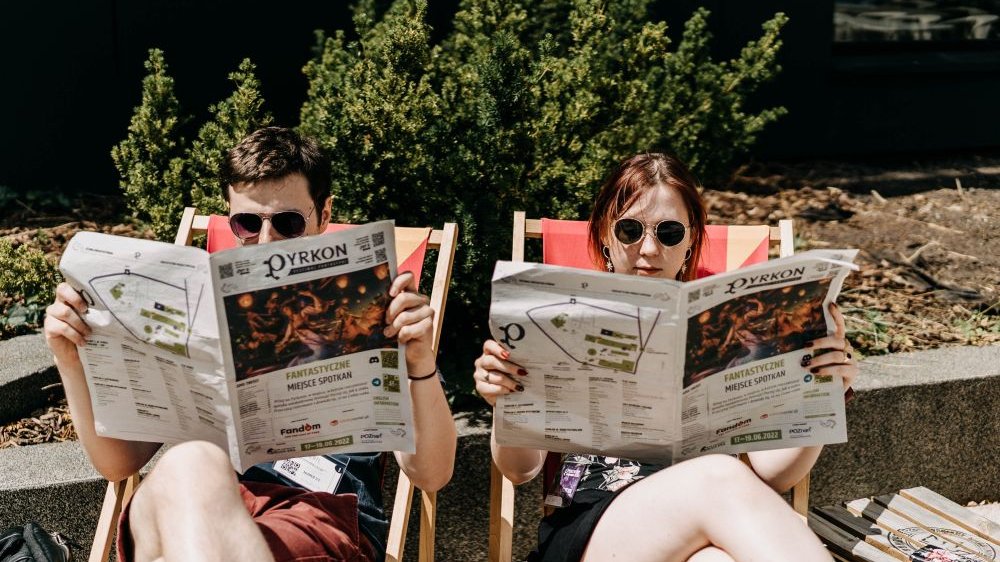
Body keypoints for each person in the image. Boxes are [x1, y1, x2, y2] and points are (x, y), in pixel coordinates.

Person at [44, 127, 457, 562]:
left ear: (324, 214)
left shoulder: (372, 311)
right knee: (190, 463)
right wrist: (68, 358)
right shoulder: (195, 311)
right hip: (196, 500)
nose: (265, 241)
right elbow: (118, 464)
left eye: (287, 223)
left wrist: (419, 362)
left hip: (314, 512)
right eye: (247, 224)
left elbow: (431, 475)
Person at [474, 153, 858, 562]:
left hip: (701, 525)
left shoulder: (737, 329)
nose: (649, 249)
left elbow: (775, 474)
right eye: (630, 229)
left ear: (691, 240)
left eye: (669, 232)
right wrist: (504, 401)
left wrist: (825, 386)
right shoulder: (554, 320)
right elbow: (520, 470)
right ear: (604, 233)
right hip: (593, 529)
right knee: (719, 473)